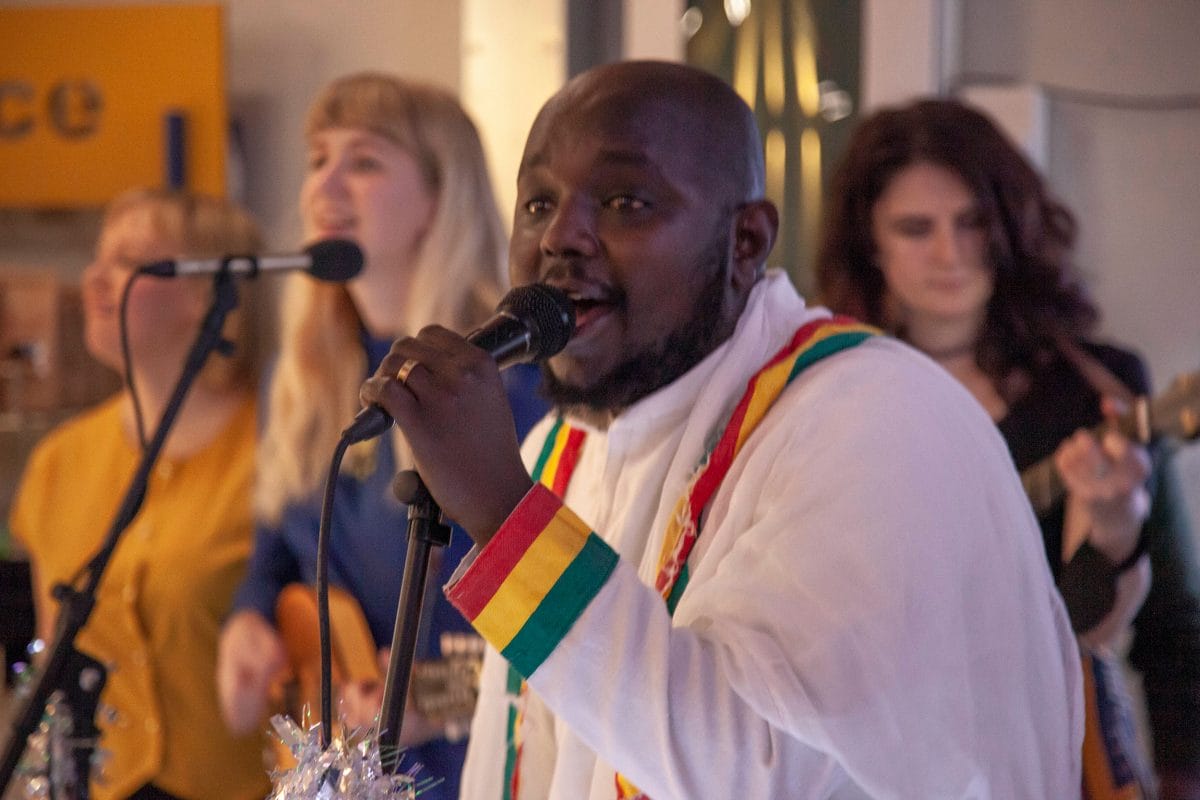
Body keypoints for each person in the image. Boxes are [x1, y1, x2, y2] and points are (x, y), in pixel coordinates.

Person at [358, 60, 1082, 798]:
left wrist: (506, 517)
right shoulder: (560, 446)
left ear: (744, 241)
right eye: (538, 204)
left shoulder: (876, 419)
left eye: (622, 201)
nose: (561, 238)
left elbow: (757, 767)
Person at [816, 97, 1200, 799]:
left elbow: (1167, 626)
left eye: (972, 223)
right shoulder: (829, 395)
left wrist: (1111, 533)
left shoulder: (1094, 391)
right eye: (915, 228)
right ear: (868, 242)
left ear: (1009, 226)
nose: (950, 254)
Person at [215, 72, 545, 799]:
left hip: (479, 774)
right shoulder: (297, 379)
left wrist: (441, 696)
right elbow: (275, 549)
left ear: (438, 199)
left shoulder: (513, 385)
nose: (324, 186)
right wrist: (248, 619)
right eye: (317, 160)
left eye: (363, 161)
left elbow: (565, 629)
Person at [9, 188, 270, 800]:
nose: (94, 280)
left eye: (127, 261)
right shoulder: (60, 461)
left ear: (208, 295)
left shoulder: (282, 449)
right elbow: (56, 669)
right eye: (97, 258)